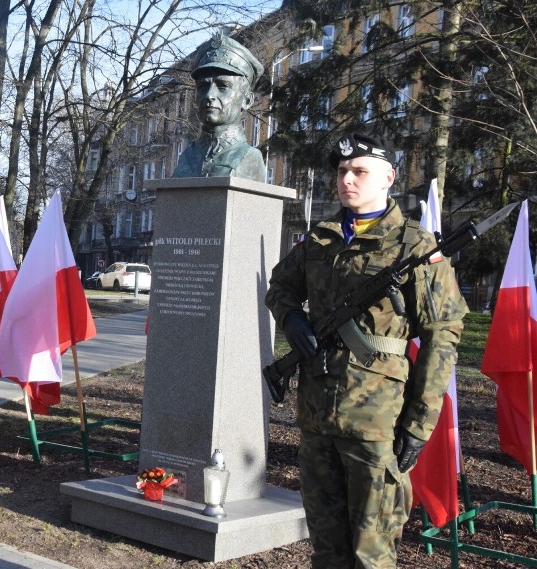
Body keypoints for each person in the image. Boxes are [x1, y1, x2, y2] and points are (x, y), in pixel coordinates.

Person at [264, 132, 467, 567]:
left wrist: (418, 424)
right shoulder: (320, 239)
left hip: (379, 421)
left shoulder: (414, 245)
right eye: (341, 172)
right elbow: (279, 287)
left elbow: (442, 336)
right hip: (317, 414)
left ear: (388, 177)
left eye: (359, 171)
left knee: (371, 554)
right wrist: (292, 319)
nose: (347, 180)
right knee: (327, 547)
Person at [173, 33, 266, 181]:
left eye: (223, 86)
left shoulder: (250, 158)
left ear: (247, 100)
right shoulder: (187, 156)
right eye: (203, 86)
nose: (209, 95)